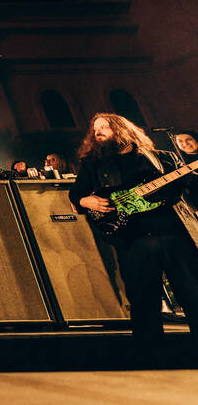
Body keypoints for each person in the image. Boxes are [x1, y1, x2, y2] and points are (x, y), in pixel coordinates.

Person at [69, 113, 198, 351]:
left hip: (173, 235)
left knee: (193, 293)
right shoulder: (93, 164)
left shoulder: (163, 159)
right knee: (143, 299)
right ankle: (149, 354)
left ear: (122, 129)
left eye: (104, 127)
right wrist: (88, 202)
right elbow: (76, 195)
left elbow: (191, 190)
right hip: (131, 238)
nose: (98, 132)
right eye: (95, 129)